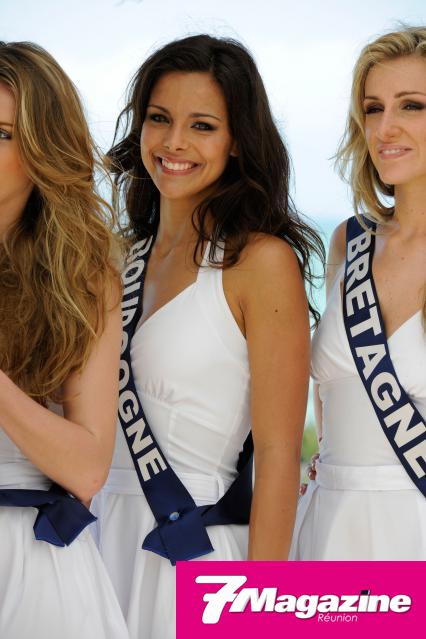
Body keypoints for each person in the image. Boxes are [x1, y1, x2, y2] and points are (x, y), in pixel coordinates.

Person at [91, 34, 324, 638]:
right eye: (159, 119)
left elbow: (278, 456)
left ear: (238, 140)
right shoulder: (116, 259)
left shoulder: (261, 263)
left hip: (198, 558)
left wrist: (264, 610)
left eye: (202, 126)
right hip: (92, 550)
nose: (174, 143)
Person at [0, 42, 129, 638]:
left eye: (2, 134)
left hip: (31, 562)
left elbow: (87, 469)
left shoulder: (84, 276)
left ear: (42, 152)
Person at [291, 26, 426, 560]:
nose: (385, 127)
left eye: (411, 106)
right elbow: (331, 394)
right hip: (327, 529)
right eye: (373, 109)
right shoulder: (349, 240)